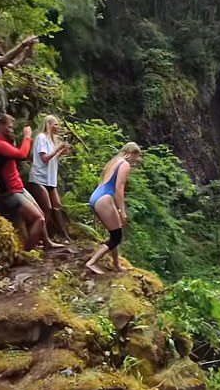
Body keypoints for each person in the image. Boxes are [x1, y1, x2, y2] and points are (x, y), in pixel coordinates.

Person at [0, 115, 64, 251]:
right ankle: (26, 252)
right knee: (39, 219)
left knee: (42, 212)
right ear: (1, 126)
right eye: (10, 127)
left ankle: (46, 242)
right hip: (11, 191)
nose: (12, 129)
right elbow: (22, 155)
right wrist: (27, 136)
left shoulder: (5, 143)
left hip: (19, 187)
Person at [85, 142, 142, 275]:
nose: (136, 160)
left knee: (114, 232)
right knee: (116, 237)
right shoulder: (125, 164)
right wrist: (122, 210)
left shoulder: (114, 161)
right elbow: (118, 187)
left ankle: (116, 264)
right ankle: (91, 262)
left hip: (96, 197)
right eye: (136, 156)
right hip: (104, 199)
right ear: (131, 153)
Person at [28, 115, 72, 242]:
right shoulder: (42, 137)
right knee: (46, 207)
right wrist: (58, 148)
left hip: (50, 180)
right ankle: (40, 237)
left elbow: (52, 158)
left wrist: (61, 152)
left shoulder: (52, 140)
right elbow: (44, 158)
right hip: (39, 178)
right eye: (56, 124)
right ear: (49, 124)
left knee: (57, 206)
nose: (58, 127)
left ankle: (63, 235)